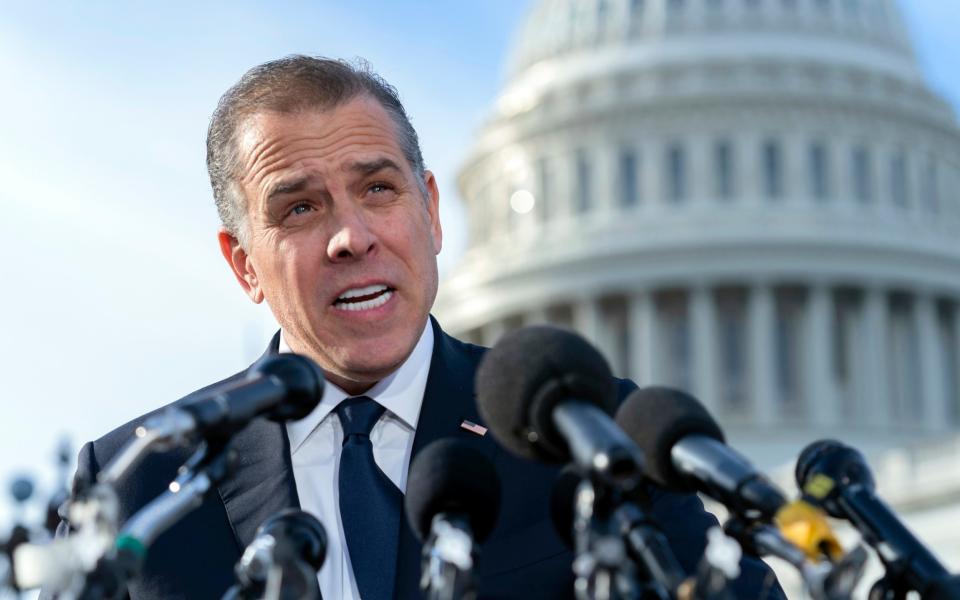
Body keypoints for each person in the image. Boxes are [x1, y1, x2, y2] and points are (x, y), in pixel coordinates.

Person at [50, 56, 785, 600]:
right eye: (300, 208)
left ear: (431, 212)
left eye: (378, 188)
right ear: (243, 264)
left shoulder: (592, 442)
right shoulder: (137, 488)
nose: (352, 237)